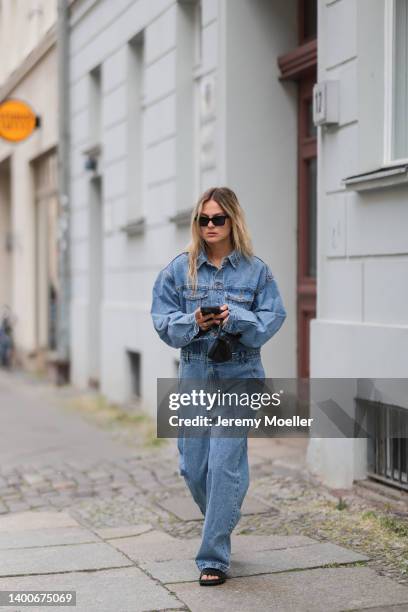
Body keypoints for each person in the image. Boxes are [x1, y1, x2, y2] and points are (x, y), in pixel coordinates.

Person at [151, 186, 287, 586]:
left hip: (239, 374)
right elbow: (162, 322)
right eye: (203, 219)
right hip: (194, 371)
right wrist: (195, 321)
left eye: (217, 219)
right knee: (194, 469)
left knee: (225, 464)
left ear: (232, 221)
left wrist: (235, 318)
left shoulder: (256, 271)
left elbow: (270, 321)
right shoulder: (179, 269)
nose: (209, 226)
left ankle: (213, 557)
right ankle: (222, 518)